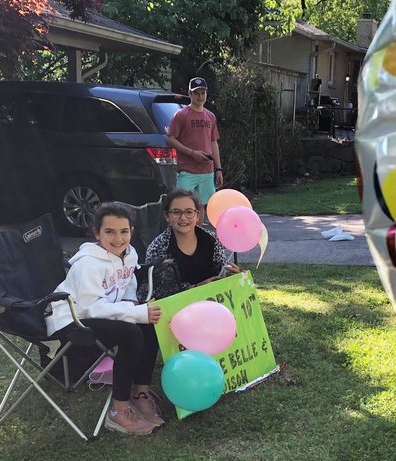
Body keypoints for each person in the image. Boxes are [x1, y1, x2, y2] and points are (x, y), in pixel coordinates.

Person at [45, 202, 164, 435]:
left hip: (102, 313)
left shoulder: (129, 254)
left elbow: (128, 287)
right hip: (72, 320)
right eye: (109, 231)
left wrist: (134, 306)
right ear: (97, 233)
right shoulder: (88, 264)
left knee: (149, 326)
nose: (118, 238)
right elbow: (90, 309)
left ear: (132, 231)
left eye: (124, 231)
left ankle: (140, 394)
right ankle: (118, 411)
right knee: (131, 333)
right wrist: (135, 314)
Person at [138, 188, 240, 301]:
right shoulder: (159, 247)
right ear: (167, 216)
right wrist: (196, 287)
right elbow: (158, 291)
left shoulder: (211, 239)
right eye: (176, 212)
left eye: (189, 212)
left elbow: (219, 269)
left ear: (197, 216)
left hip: (211, 303)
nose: (183, 218)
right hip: (176, 307)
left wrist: (229, 273)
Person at [166, 77, 223, 212]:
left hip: (207, 171)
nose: (200, 96)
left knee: (201, 207)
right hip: (187, 171)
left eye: (203, 93)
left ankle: (198, 232)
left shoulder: (210, 116)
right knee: (183, 207)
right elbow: (171, 139)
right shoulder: (181, 115)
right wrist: (192, 153)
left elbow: (213, 142)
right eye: (196, 93)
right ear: (190, 94)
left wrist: (219, 169)